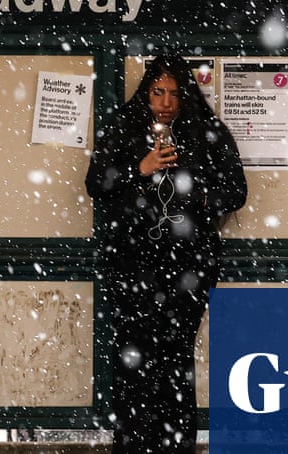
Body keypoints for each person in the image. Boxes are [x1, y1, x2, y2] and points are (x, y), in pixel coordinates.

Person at [84, 53, 247, 453]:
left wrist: (202, 194)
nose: (166, 102)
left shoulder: (206, 132)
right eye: (158, 91)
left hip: (187, 268)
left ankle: (175, 445)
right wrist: (138, 169)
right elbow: (95, 184)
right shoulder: (123, 128)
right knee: (135, 361)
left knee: (175, 361)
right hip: (131, 265)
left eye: (174, 93)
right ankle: (134, 444)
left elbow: (236, 191)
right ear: (146, 91)